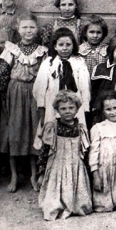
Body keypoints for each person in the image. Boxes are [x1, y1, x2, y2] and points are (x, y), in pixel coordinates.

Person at [0, 12, 47, 192]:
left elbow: (44, 74)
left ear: (37, 29)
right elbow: (2, 74)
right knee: (15, 132)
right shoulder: (11, 49)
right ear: (18, 30)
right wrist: (4, 97)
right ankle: (14, 176)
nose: (28, 31)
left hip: (34, 92)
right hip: (15, 92)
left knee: (34, 131)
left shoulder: (42, 51)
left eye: (32, 27)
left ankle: (34, 175)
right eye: (24, 27)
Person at [37, 90, 92, 220]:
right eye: (63, 108)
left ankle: (75, 205)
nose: (67, 111)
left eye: (71, 108)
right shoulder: (53, 127)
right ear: (57, 110)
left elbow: (85, 152)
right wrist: (41, 172)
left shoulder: (80, 128)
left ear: (77, 108)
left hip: (75, 165)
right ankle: (58, 206)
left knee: (80, 197)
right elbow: (44, 151)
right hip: (57, 165)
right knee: (55, 195)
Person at [33, 27, 91, 130]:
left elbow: (85, 87)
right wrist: (42, 110)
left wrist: (85, 108)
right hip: (53, 104)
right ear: (55, 46)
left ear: (73, 46)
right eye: (61, 45)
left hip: (75, 105)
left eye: (68, 45)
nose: (64, 48)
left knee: (75, 131)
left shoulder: (79, 62)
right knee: (53, 131)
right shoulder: (48, 63)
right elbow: (40, 87)